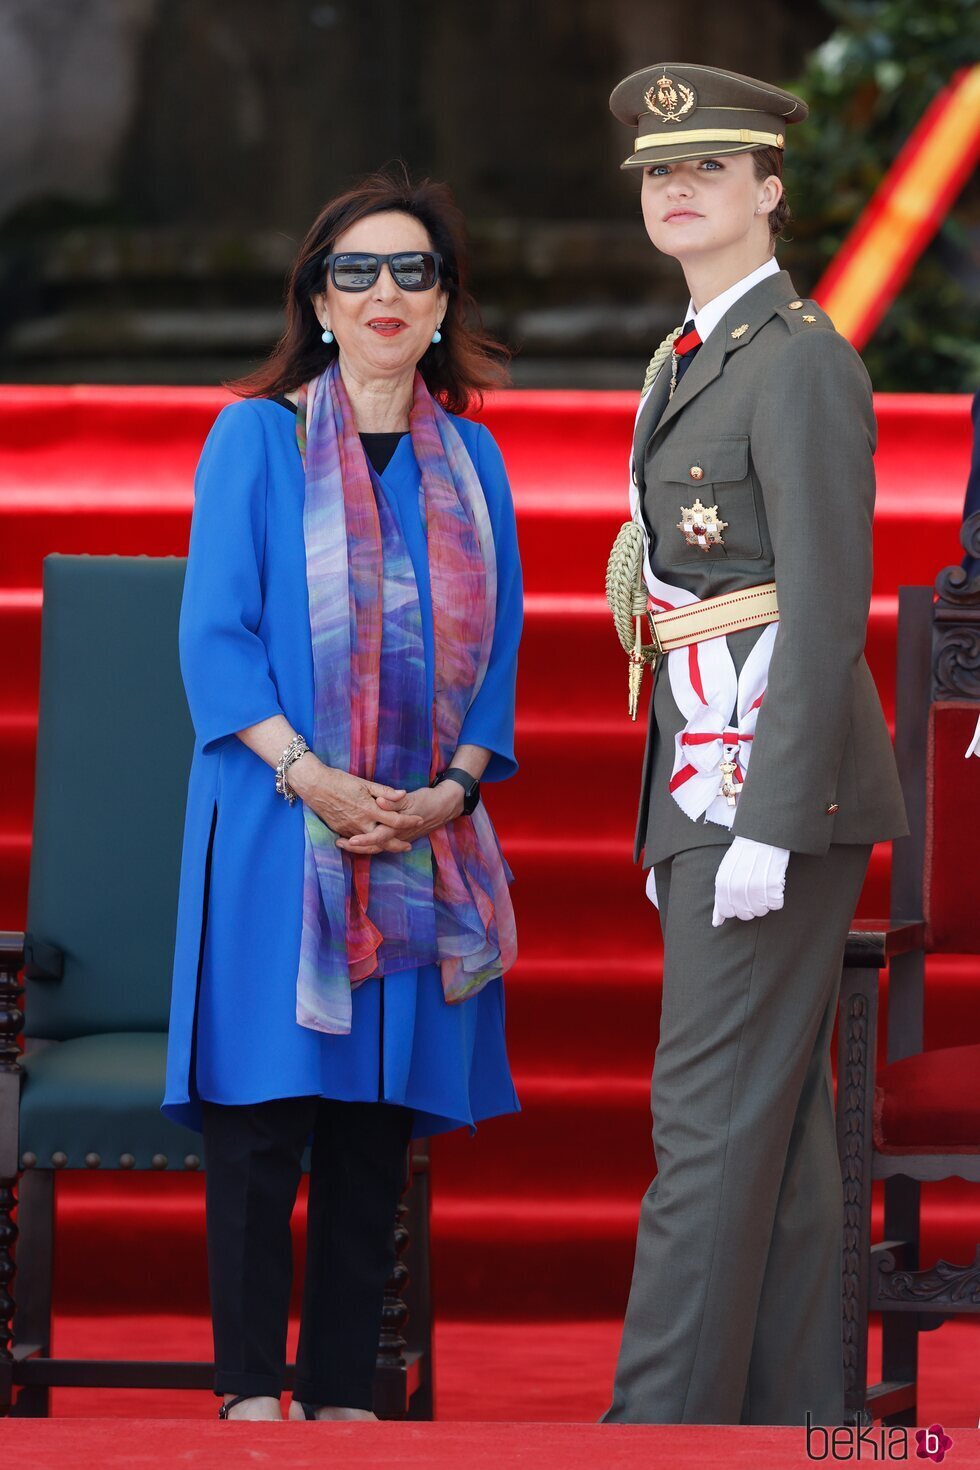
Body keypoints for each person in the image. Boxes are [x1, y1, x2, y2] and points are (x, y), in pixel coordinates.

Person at [162, 166, 522, 1422]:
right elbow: (217, 638)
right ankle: (253, 1390)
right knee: (266, 1118)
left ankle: (345, 1393)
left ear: (440, 307)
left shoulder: (472, 463)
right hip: (274, 820)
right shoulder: (251, 437)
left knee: (374, 1119)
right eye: (355, 271)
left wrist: (451, 793)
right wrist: (310, 777)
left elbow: (500, 662)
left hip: (420, 835)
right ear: (318, 300)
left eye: (410, 272)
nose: (383, 292)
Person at [600, 63, 908, 1426]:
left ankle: (652, 1434)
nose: (678, 187)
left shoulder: (799, 359)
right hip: (708, 779)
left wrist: (770, 819)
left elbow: (828, 600)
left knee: (706, 1124)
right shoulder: (692, 356)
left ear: (772, 188)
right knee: (771, 1143)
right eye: (661, 172)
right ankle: (799, 1432)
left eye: (709, 168)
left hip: (766, 786)